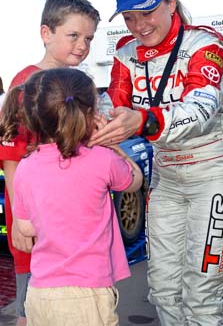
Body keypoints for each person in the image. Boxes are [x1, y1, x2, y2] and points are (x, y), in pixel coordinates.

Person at [90, 0, 223, 325]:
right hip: (166, 178)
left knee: (202, 292)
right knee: (162, 286)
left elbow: (202, 109)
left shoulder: (205, 44)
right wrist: (88, 120)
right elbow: (115, 103)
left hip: (212, 178)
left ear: (170, 3)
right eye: (129, 16)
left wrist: (142, 121)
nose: (139, 25)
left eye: (147, 12)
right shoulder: (126, 53)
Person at [0, 67, 143, 326]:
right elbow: (135, 182)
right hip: (87, 294)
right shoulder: (102, 159)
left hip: (40, 291)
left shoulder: (26, 168)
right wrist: (113, 145)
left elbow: (26, 226)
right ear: (89, 114)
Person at [0, 0, 100, 326]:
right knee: (35, 307)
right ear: (47, 33)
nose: (82, 45)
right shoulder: (26, 82)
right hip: (35, 226)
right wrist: (19, 221)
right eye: (73, 35)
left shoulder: (83, 85)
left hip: (72, 227)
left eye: (88, 38)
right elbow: (12, 158)